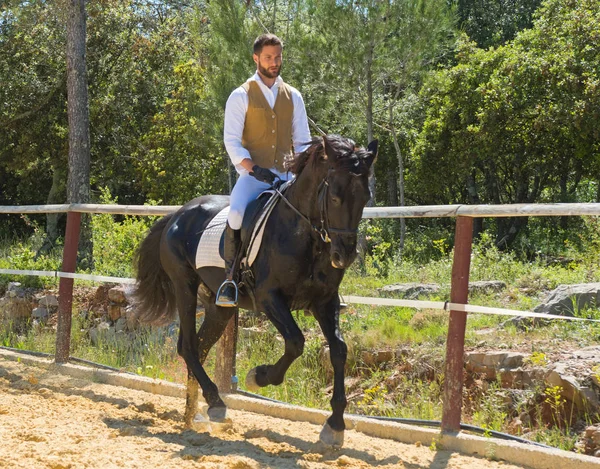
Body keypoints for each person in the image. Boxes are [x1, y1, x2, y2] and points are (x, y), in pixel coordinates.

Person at [216, 33, 311, 307]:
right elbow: (232, 141)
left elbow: (302, 141)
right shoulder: (240, 95)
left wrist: (300, 172)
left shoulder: (293, 96)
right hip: (253, 176)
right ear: (256, 58)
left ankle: (322, 282)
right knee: (235, 212)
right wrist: (254, 169)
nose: (274, 62)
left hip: (286, 177)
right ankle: (230, 278)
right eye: (268, 57)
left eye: (278, 57)